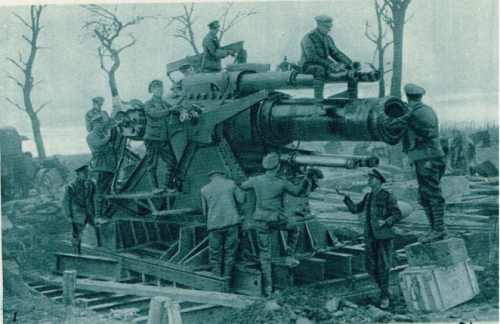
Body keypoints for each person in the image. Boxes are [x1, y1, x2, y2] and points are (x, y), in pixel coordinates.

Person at [241, 153, 309, 296]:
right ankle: (289, 255)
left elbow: (243, 185)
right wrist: (307, 179)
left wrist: (251, 180)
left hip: (261, 219)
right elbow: (297, 191)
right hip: (277, 219)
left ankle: (267, 289)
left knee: (264, 254)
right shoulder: (281, 181)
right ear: (278, 167)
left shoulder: (257, 180)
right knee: (294, 227)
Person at [388, 84, 447, 243]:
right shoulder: (427, 110)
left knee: (432, 194)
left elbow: (394, 125)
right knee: (425, 195)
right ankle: (435, 229)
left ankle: (439, 230)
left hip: (427, 158)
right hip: (431, 157)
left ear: (407, 96)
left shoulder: (412, 112)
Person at [342, 169, 403, 309]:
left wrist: (385, 222)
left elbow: (397, 214)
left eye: (372, 178)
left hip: (383, 237)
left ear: (379, 181)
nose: (369, 180)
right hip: (370, 237)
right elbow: (355, 210)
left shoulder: (387, 196)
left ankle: (384, 297)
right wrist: (346, 198)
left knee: (383, 266)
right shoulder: (368, 197)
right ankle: (385, 292)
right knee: (371, 267)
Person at [298, 15, 354, 109]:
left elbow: (335, 53)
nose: (329, 29)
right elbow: (312, 57)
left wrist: (349, 63)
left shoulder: (328, 39)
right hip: (308, 65)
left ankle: (352, 98)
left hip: (323, 63)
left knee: (346, 70)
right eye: (327, 27)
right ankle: (318, 105)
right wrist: (329, 65)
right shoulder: (309, 37)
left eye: (330, 27)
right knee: (319, 70)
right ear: (319, 25)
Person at [201, 170, 245, 278]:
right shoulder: (230, 184)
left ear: (211, 178)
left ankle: (217, 280)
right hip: (231, 223)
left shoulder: (204, 189)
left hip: (214, 225)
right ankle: (227, 280)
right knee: (230, 253)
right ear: (222, 176)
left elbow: (204, 211)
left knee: (215, 255)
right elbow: (241, 200)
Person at [144, 80, 178, 194]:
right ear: (152, 90)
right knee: (152, 164)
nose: (160, 90)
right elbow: (155, 114)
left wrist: (181, 106)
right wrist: (170, 110)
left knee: (171, 161)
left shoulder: (164, 103)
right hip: (152, 138)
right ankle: (154, 188)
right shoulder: (149, 104)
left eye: (161, 87)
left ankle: (165, 187)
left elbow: (174, 109)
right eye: (157, 88)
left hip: (163, 137)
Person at [62, 165, 98, 254]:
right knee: (77, 235)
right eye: (84, 173)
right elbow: (66, 202)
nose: (86, 175)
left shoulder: (91, 184)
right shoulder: (71, 186)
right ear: (78, 174)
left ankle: (100, 247)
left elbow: (95, 198)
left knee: (98, 229)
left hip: (90, 212)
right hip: (78, 214)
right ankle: (77, 253)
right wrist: (69, 216)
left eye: (87, 173)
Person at [86, 115, 116, 219]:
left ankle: (105, 214)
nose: (102, 125)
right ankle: (98, 216)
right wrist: (108, 137)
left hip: (108, 166)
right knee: (99, 192)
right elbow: (99, 144)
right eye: (100, 123)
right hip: (100, 166)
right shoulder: (91, 136)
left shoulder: (102, 134)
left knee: (107, 191)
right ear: (95, 123)